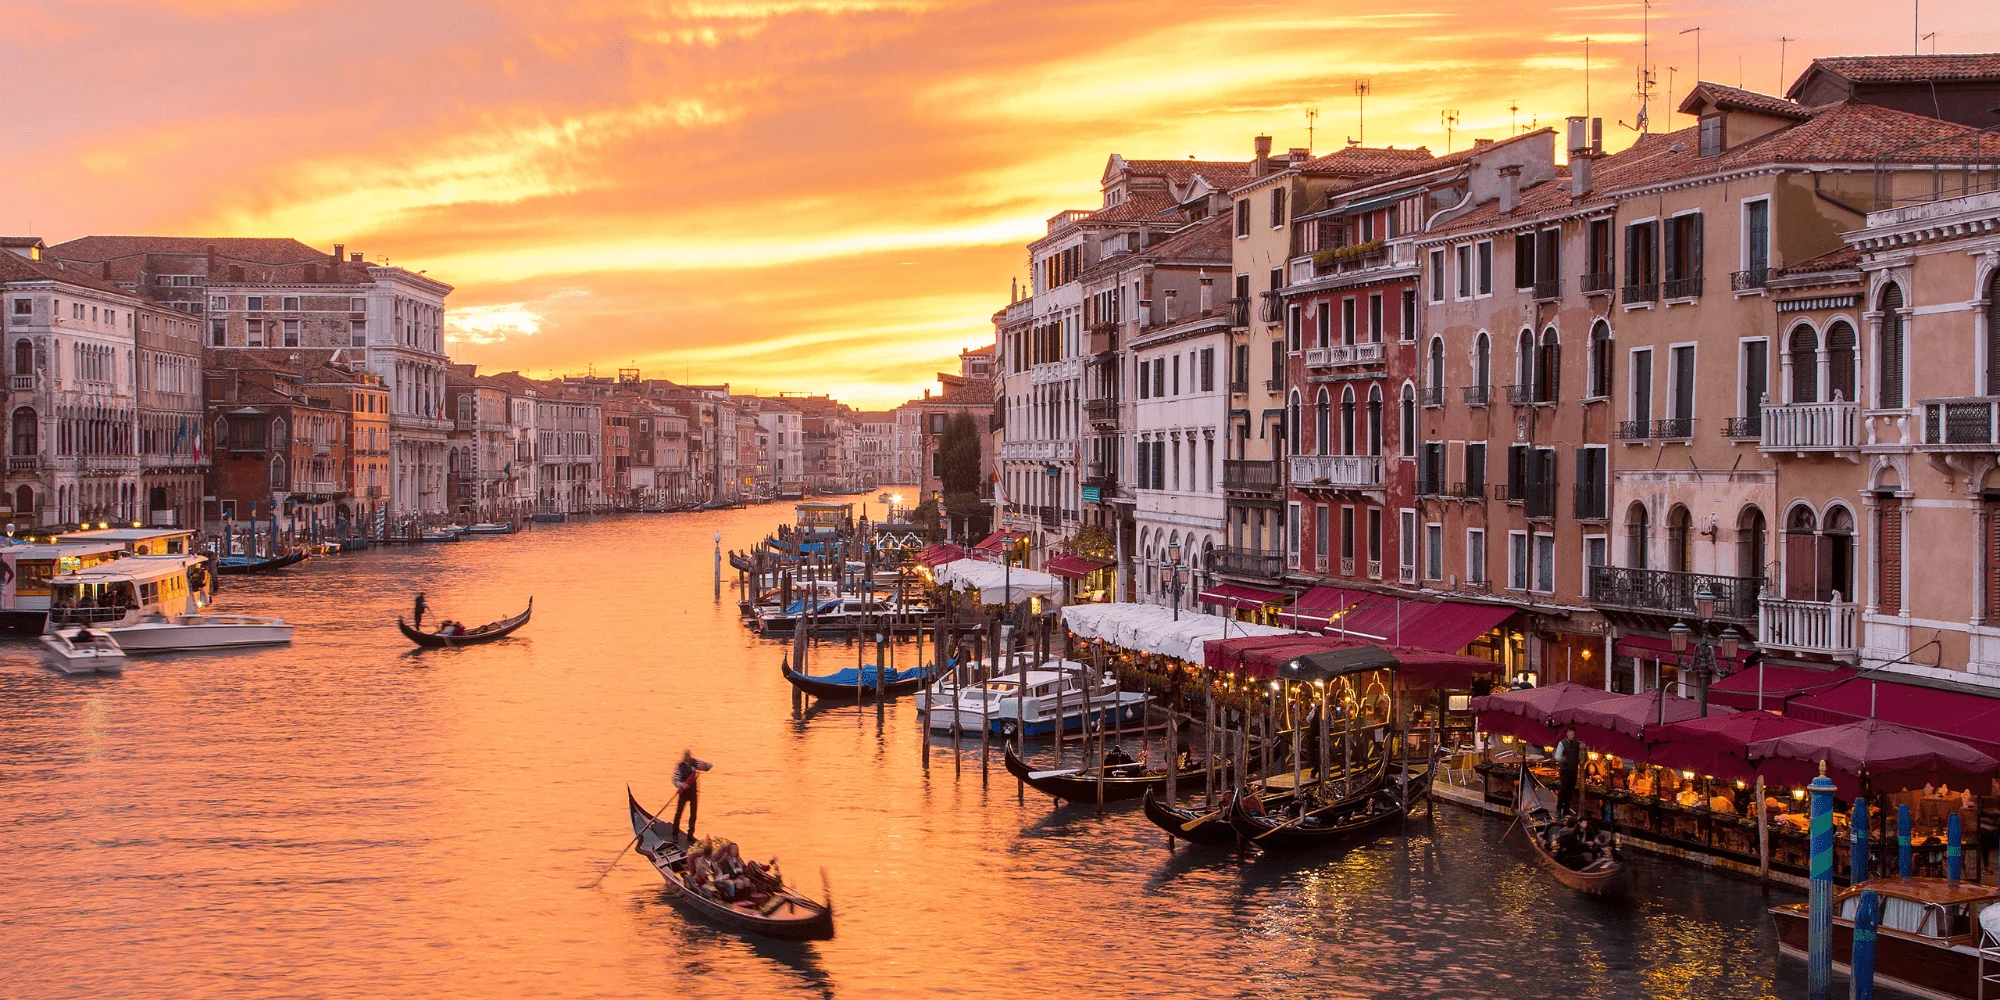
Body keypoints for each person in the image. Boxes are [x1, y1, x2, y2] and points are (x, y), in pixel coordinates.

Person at [673, 750, 713, 837]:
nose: (687, 757)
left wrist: (705, 765)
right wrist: (681, 784)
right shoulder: (680, 766)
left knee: (693, 814)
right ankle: (675, 833)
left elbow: (708, 766)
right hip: (683, 793)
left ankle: (690, 834)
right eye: (686, 756)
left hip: (693, 793)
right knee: (678, 813)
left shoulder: (695, 762)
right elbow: (675, 780)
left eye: (688, 756)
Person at [1553, 728, 1584, 817]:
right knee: (1563, 789)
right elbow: (1557, 756)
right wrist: (1562, 759)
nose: (1572, 736)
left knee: (1570, 790)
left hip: (1573, 771)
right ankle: (1559, 809)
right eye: (1571, 734)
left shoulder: (1576, 743)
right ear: (1567, 734)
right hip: (1565, 771)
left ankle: (1567, 808)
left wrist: (1583, 746)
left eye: (1573, 734)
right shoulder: (1562, 743)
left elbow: (1583, 746)